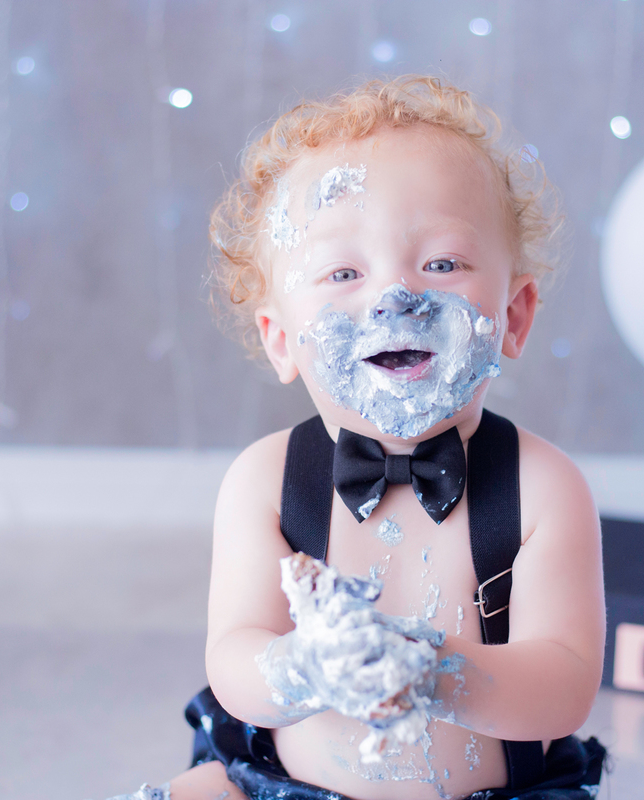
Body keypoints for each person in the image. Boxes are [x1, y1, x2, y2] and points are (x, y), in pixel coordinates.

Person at [130, 75, 605, 800]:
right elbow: (233, 661)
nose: (394, 297)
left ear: (513, 316)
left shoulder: (543, 488)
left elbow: (565, 685)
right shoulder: (268, 480)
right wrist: (307, 666)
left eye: (442, 263)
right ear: (281, 339)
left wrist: (434, 672)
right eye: (343, 272)